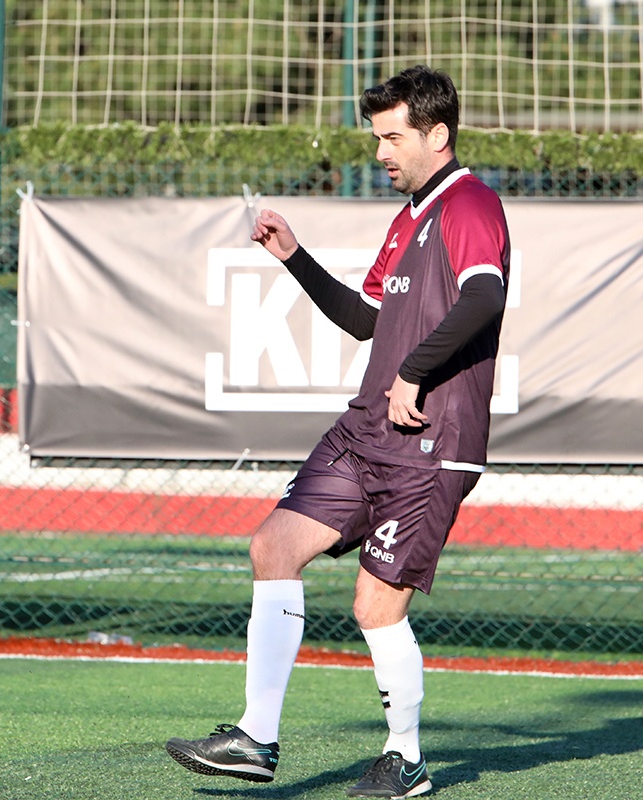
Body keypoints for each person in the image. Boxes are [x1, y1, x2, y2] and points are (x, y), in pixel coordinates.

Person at [164, 66, 510, 798]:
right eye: (376, 137)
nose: (381, 151)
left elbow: (484, 296)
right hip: (366, 430)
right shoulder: (408, 217)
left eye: (393, 137)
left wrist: (413, 371)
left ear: (437, 135)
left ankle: (405, 760)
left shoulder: (471, 202)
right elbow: (364, 319)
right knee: (273, 546)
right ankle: (256, 738)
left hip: (432, 442)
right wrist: (294, 258)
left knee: (374, 606)